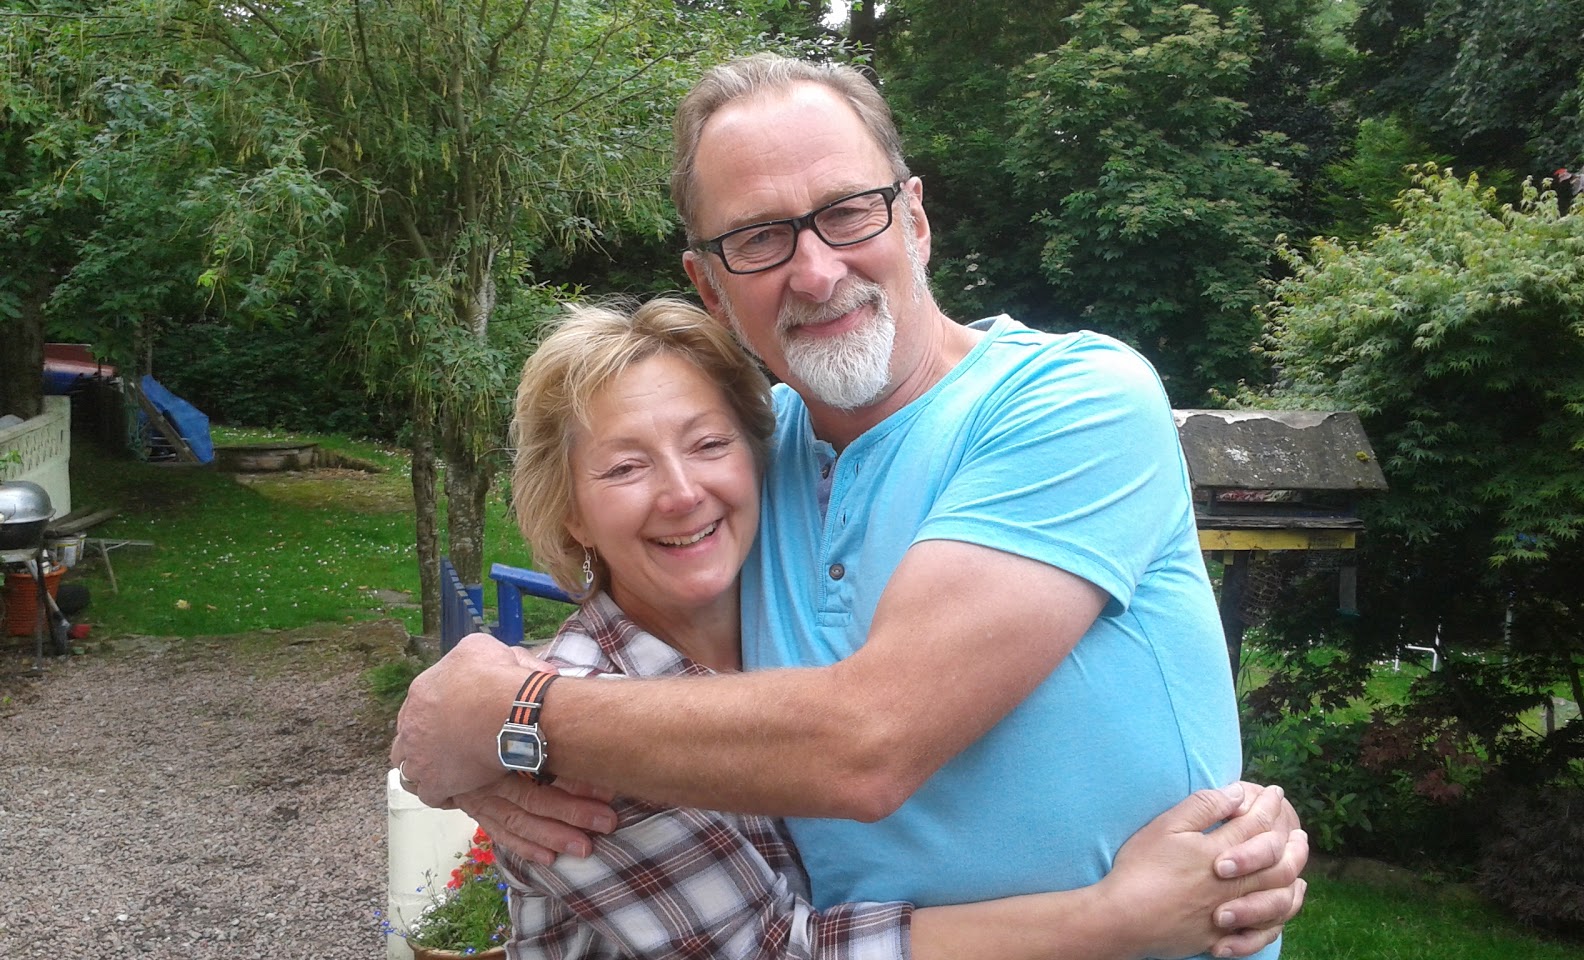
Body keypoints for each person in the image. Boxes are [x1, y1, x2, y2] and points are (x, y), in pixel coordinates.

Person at [393, 53, 1305, 958]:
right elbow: (633, 639)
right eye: (759, 237)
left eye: (847, 211)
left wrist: (510, 718)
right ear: (710, 286)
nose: (817, 271)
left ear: (915, 218)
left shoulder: (1072, 401)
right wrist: (481, 742)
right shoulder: (751, 454)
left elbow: (869, 741)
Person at [492, 296, 1303, 959]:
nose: (681, 493)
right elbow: (772, 951)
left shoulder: (784, 563)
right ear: (570, 513)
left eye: (708, 444)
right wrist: (1120, 918)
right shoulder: (579, 728)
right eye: (624, 467)